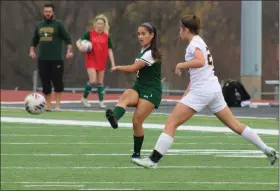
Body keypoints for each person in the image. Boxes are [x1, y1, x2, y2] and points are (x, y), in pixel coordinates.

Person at [133, 15, 278, 168]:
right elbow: (197, 74)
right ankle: (266, 149)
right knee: (235, 124)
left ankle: (152, 160)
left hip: (202, 91)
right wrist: (185, 96)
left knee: (171, 123)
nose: (179, 33)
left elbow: (200, 61)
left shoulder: (193, 44)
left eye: (180, 29)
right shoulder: (199, 41)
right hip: (213, 89)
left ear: (186, 30)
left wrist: (180, 65)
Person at [105, 22, 162, 162]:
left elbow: (133, 68)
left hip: (151, 90)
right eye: (138, 34)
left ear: (152, 35)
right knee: (125, 96)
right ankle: (114, 118)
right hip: (139, 87)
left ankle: (136, 154)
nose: (140, 36)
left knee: (136, 121)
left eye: (143, 34)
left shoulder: (150, 53)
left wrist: (117, 67)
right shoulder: (143, 50)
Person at [29, 3, 73, 112]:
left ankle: (57, 105)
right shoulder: (39, 25)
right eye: (46, 11)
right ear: (43, 12)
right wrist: (32, 50)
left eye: (49, 11)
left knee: (57, 82)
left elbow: (68, 39)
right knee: (45, 82)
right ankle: (48, 105)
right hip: (43, 59)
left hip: (56, 59)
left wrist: (69, 51)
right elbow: (34, 40)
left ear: (53, 12)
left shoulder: (58, 24)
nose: (47, 13)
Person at [76, 14, 115, 109]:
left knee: (100, 83)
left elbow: (110, 50)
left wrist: (113, 63)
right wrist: (80, 47)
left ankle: (101, 102)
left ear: (104, 25)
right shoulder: (89, 34)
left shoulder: (106, 37)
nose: (100, 25)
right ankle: (84, 98)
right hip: (91, 60)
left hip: (101, 61)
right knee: (93, 80)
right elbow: (78, 41)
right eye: (98, 23)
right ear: (95, 24)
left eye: (102, 24)